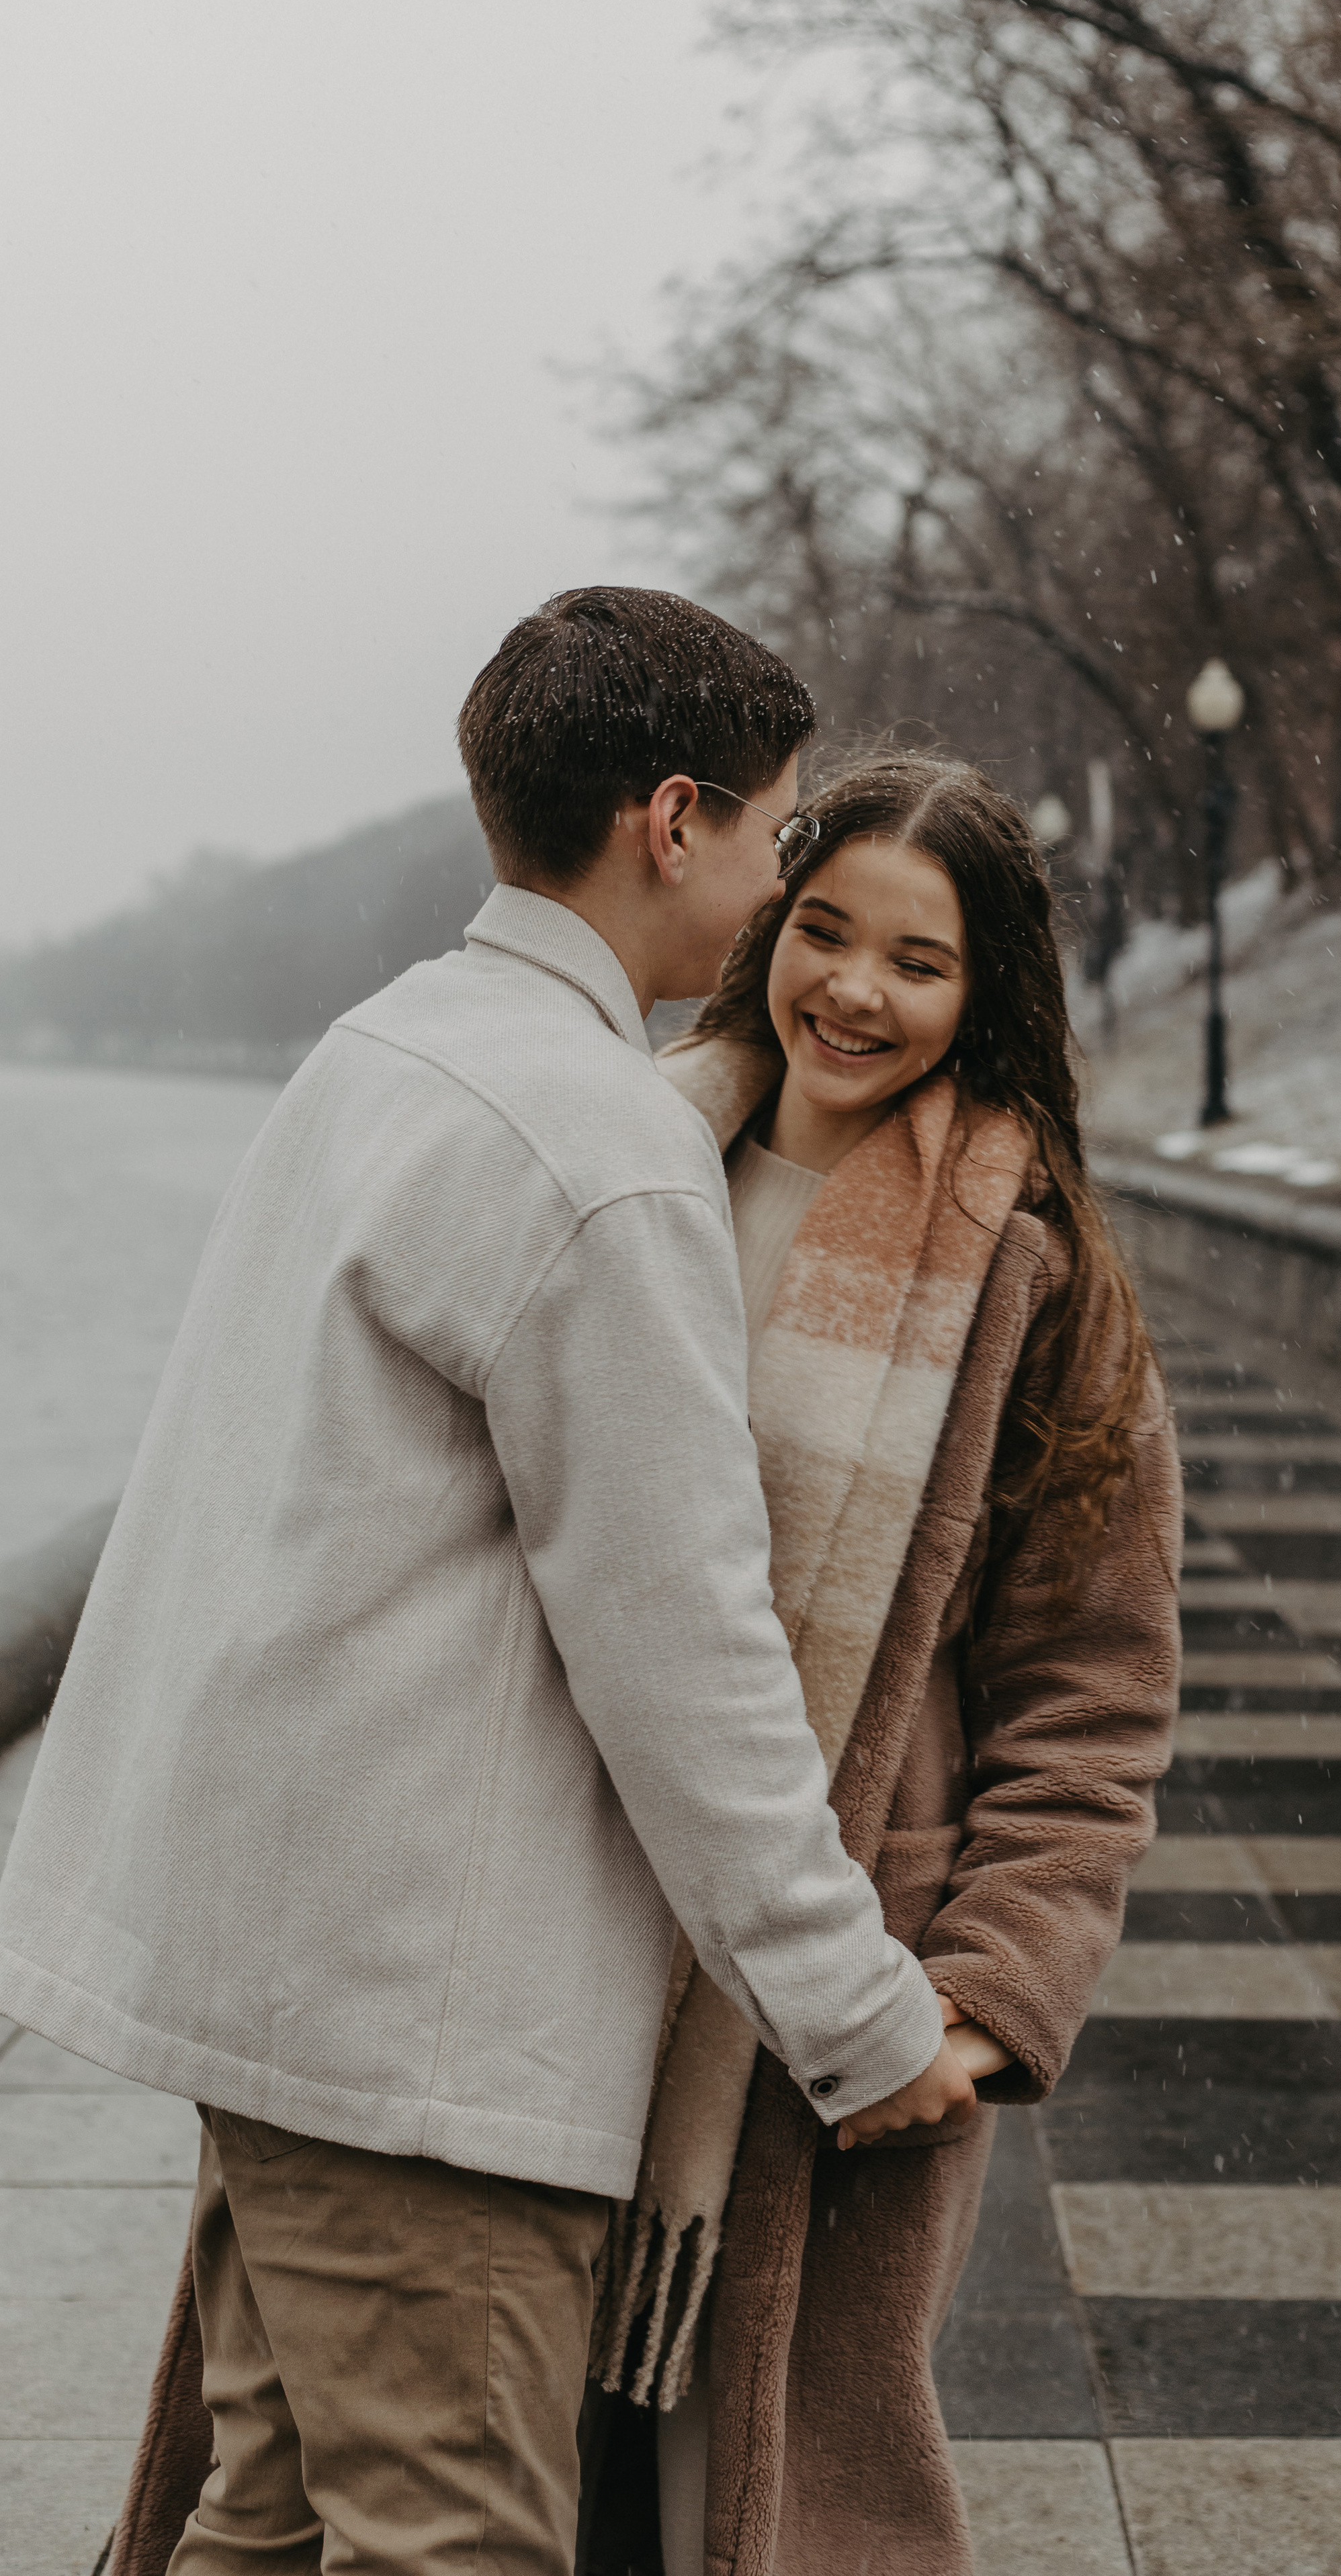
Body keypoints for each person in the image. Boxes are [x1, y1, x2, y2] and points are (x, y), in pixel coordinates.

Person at [0, 592, 976, 2576]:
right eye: (783, 837)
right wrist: (862, 2024)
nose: (788, 883)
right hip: (412, 2030)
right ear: (675, 818)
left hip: (279, 1973)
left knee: (264, 2532)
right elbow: (684, 1651)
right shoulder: (597, 1149)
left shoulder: (384, 1051)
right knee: (453, 2549)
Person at [576, 752, 1182, 2576]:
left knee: (779, 2498)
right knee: (512, 2476)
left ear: (987, 991)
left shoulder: (1032, 1277)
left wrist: (990, 1996)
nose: (851, 989)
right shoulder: (628, 1168)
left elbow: (1095, 1678)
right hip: (576, 1915)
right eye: (822, 931)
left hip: (851, 1986)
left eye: (916, 963)